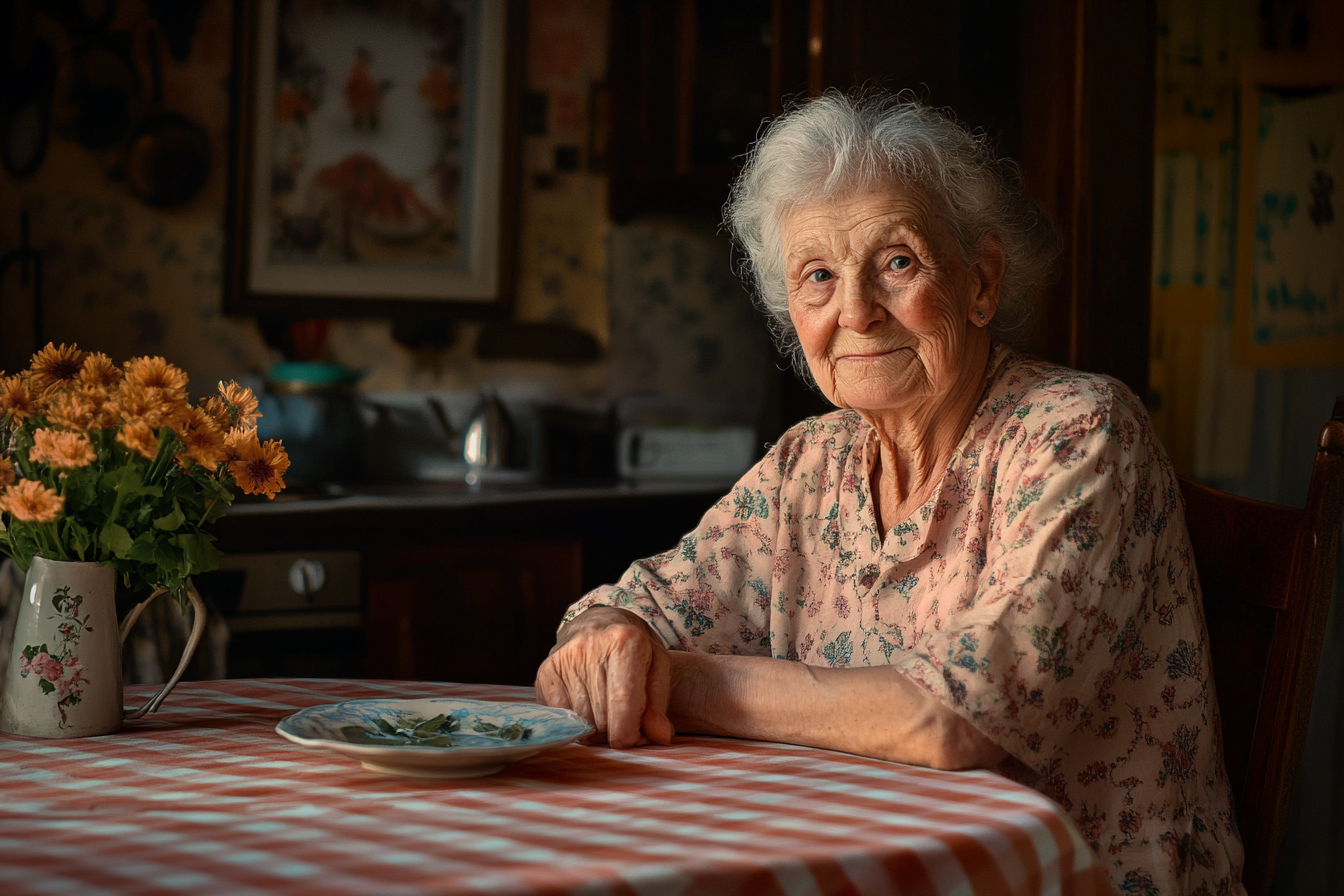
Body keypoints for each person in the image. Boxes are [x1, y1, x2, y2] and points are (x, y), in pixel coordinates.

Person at [536, 91, 1244, 894]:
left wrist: (682, 680)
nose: (857, 312)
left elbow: (957, 718)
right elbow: (632, 611)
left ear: (981, 280)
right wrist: (608, 635)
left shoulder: (1076, 431)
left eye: (897, 262)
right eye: (819, 277)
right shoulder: (811, 461)